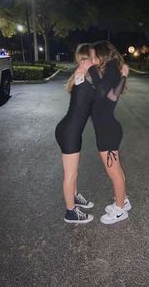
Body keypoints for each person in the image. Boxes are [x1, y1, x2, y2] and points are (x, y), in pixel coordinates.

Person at [78, 41, 132, 225]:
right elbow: (112, 95)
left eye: (94, 56)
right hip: (108, 129)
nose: (92, 60)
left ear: (102, 55)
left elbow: (102, 92)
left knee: (114, 173)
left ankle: (119, 211)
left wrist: (91, 69)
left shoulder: (111, 68)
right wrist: (123, 76)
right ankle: (123, 200)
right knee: (116, 170)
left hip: (107, 131)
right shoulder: (112, 70)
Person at [55, 43, 95, 224]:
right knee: (70, 174)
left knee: (73, 171)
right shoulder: (84, 72)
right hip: (70, 132)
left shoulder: (83, 74)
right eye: (93, 56)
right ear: (86, 58)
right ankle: (70, 212)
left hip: (70, 130)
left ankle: (75, 195)